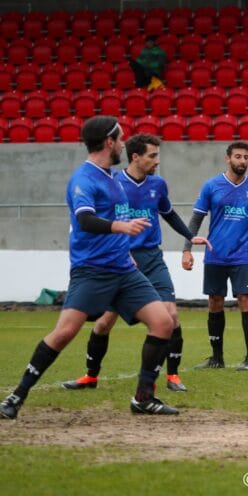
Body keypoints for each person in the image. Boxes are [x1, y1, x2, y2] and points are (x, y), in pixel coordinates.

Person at [0, 116, 180, 419]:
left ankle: (143, 398)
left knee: (164, 322)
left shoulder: (111, 177)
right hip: (92, 271)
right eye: (120, 138)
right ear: (109, 142)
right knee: (64, 333)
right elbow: (85, 219)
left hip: (124, 269)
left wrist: (126, 251)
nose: (124, 143)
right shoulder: (84, 179)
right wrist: (121, 228)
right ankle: (16, 396)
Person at [61, 133, 212, 393]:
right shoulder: (114, 183)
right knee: (104, 323)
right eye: (152, 155)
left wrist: (190, 236)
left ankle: (173, 376)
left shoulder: (158, 185)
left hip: (152, 258)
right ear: (135, 157)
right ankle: (90, 376)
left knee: (171, 316)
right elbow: (92, 220)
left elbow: (168, 213)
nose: (157, 161)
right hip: (121, 261)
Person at [182, 142, 248, 371]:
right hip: (215, 254)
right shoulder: (211, 186)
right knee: (215, 302)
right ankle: (216, 358)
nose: (242, 161)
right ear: (228, 159)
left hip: (243, 256)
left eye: (246, 157)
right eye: (238, 156)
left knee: (245, 300)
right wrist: (187, 249)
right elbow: (196, 220)